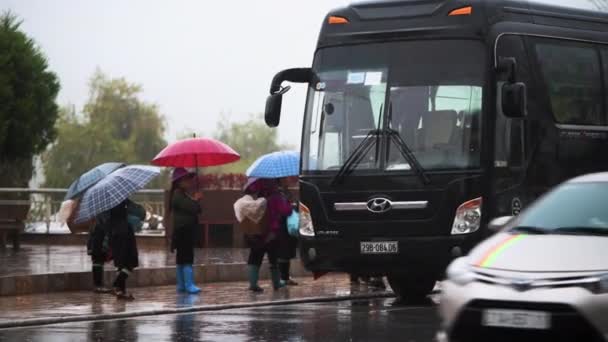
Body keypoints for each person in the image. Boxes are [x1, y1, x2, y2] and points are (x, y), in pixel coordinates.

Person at [240, 178, 289, 292]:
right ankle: (276, 283)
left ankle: (253, 283)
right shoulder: (276, 196)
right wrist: (287, 203)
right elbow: (286, 211)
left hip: (258, 231)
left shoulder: (258, 195)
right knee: (274, 259)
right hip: (272, 233)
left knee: (254, 257)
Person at [97, 199, 145, 300]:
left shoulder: (102, 202)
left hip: (112, 233)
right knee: (131, 262)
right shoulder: (120, 198)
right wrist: (130, 204)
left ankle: (121, 291)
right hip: (124, 232)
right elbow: (140, 213)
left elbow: (102, 221)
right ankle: (117, 285)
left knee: (121, 263)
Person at [169, 168, 203, 294]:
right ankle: (187, 285)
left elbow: (197, 209)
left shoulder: (182, 194)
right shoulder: (178, 195)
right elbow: (194, 209)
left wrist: (194, 200)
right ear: (179, 181)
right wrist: (196, 199)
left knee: (182, 258)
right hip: (183, 232)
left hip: (185, 231)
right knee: (186, 258)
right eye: (186, 179)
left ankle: (182, 285)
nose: (190, 182)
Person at [277, 176, 299, 286]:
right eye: (285, 178)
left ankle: (285, 277)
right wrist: (292, 206)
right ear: (280, 180)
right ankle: (283, 278)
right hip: (281, 226)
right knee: (283, 253)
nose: (288, 180)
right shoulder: (279, 193)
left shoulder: (285, 192)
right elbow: (284, 210)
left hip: (286, 226)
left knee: (286, 253)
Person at [88, 218, 112, 293]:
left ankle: (97, 286)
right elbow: (104, 238)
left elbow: (90, 238)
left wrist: (89, 248)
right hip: (99, 249)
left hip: (94, 249)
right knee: (98, 265)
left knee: (97, 265)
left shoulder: (93, 225)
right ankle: (98, 286)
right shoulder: (101, 226)